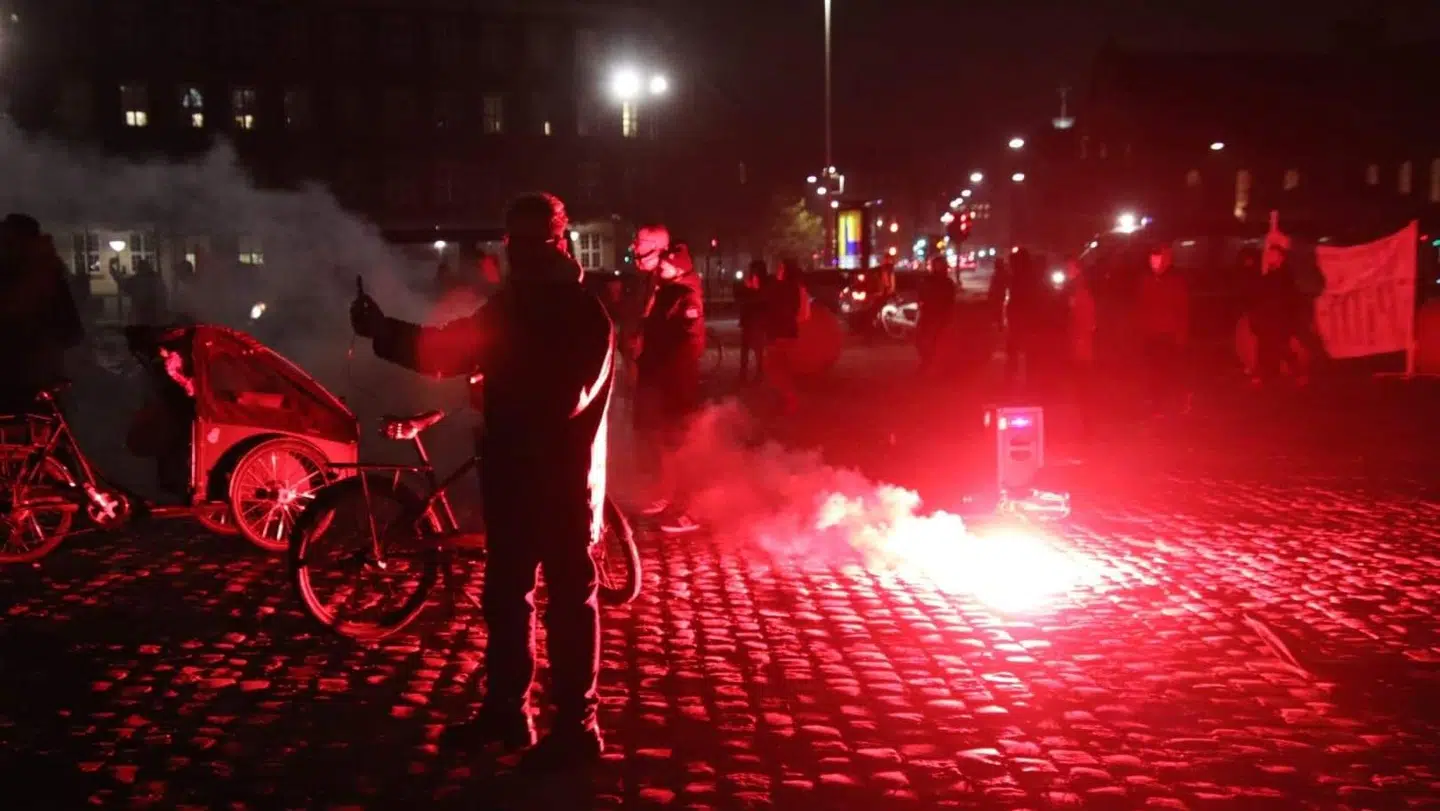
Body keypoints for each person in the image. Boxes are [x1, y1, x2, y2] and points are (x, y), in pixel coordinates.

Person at [350, 192, 615, 770]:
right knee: (506, 600)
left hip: (563, 483)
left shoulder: (580, 313)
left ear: (558, 243)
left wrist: (498, 367)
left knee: (569, 603)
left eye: (531, 243)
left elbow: (563, 397)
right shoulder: (510, 309)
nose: (519, 254)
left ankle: (577, 727)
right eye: (513, 243)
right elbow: (447, 349)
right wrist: (384, 332)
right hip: (514, 478)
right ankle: (507, 713)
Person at [631, 224, 705, 535]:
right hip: (656, 379)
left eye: (642, 245)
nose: (635, 250)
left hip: (674, 383)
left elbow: (687, 343)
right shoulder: (660, 285)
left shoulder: (683, 292)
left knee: (678, 443)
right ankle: (667, 493)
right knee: (660, 441)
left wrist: (660, 374)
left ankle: (687, 508)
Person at [0, 213, 85, 413]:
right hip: (36, 369)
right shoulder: (48, 268)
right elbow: (71, 330)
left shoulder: (36, 271)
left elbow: (69, 327)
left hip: (27, 371)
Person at [1136, 243, 1191, 416]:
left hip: (1169, 335)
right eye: (1152, 258)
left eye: (1158, 258)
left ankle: (1179, 401)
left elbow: (1182, 309)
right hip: (1152, 334)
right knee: (1153, 371)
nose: (1154, 262)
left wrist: (1181, 336)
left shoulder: (1175, 280)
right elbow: (1141, 307)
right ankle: (1156, 404)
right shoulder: (1146, 279)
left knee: (1170, 371)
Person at [764, 257, 809, 415]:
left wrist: (786, 319)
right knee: (780, 368)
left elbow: (802, 313)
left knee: (778, 368)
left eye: (781, 268)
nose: (778, 270)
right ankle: (786, 400)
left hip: (782, 334)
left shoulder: (787, 288)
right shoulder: (793, 288)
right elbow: (803, 314)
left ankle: (789, 400)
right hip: (784, 332)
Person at [916, 255, 957, 371]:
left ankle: (932, 363)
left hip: (940, 316)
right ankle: (927, 361)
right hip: (927, 314)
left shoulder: (948, 283)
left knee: (936, 342)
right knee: (921, 340)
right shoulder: (927, 279)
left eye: (940, 265)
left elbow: (950, 301)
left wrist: (948, 316)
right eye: (935, 265)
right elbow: (921, 294)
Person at [737, 259, 770, 383]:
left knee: (758, 349)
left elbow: (762, 299)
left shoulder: (765, 283)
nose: (752, 273)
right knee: (745, 348)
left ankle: (759, 373)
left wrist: (753, 289)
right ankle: (743, 373)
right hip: (748, 320)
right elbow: (742, 298)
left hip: (758, 321)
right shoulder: (750, 281)